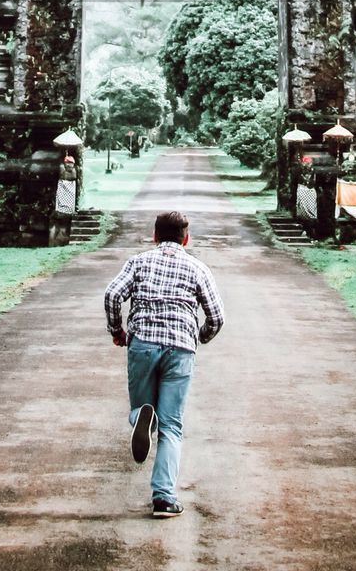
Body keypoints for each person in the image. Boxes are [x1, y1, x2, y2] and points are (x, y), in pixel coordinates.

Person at [103, 210, 224, 518]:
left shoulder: (138, 262)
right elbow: (217, 317)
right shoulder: (197, 268)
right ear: (186, 238)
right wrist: (199, 337)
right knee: (173, 426)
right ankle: (164, 498)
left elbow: (113, 295)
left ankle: (143, 417)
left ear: (154, 235)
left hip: (142, 343)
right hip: (181, 349)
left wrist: (118, 331)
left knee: (142, 408)